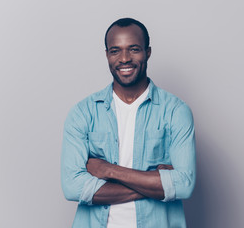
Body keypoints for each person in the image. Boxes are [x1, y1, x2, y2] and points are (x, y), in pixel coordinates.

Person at [61, 18, 196, 228]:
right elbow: (72, 187)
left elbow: (184, 186)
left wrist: (109, 171)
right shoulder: (82, 113)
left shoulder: (176, 111)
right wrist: (156, 184)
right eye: (115, 51)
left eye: (133, 49)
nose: (124, 58)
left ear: (148, 52)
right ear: (107, 55)